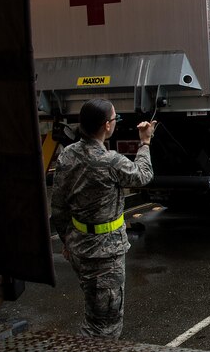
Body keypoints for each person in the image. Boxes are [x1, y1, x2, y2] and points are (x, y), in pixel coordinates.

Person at [50, 98, 157, 338]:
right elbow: (143, 175)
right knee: (104, 325)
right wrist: (145, 142)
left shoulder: (67, 155)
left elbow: (58, 204)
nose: (115, 122)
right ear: (106, 126)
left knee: (94, 309)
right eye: (114, 119)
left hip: (79, 246)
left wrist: (67, 241)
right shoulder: (110, 161)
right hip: (104, 255)